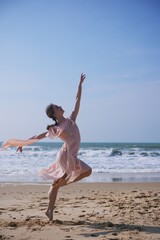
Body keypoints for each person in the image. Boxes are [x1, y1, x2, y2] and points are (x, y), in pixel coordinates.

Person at [2, 73, 92, 221]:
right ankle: (61, 187)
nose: (60, 106)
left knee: (62, 181)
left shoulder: (70, 119)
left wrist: (80, 85)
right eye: (57, 106)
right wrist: (22, 144)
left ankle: (49, 210)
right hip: (66, 156)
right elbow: (39, 136)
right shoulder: (56, 128)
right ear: (54, 113)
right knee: (86, 172)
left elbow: (77, 101)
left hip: (68, 154)